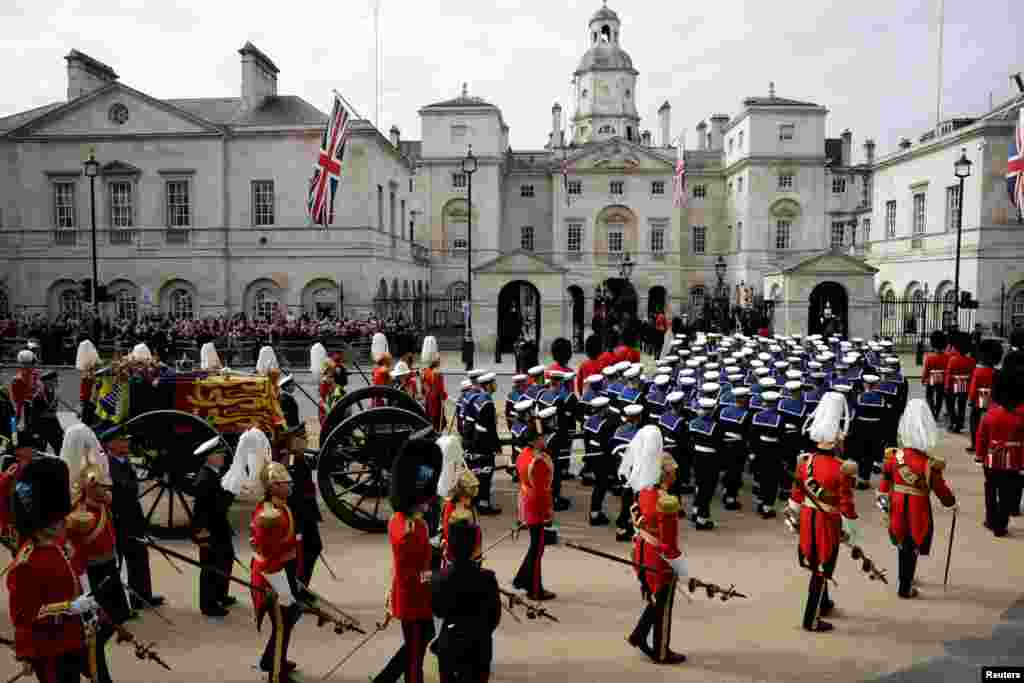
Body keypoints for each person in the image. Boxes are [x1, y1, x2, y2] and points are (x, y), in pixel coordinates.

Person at [7, 457, 93, 683]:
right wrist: (68, 607)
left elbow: (75, 575)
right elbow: (24, 615)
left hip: (72, 639)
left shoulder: (60, 546)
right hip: (49, 647)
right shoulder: (26, 563)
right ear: (42, 525)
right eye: (57, 522)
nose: (63, 524)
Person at [785, 392, 859, 632]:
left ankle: (823, 603)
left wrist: (792, 517)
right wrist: (851, 530)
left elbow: (796, 496)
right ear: (837, 441)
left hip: (807, 517)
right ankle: (811, 619)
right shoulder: (841, 468)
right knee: (821, 566)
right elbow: (846, 504)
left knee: (815, 560)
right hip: (828, 520)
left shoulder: (805, 461)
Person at [372, 435, 441, 683]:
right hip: (414, 599)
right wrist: (439, 576)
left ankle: (386, 678)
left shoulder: (402, 521)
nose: (429, 501)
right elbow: (412, 575)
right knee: (415, 659)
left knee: (420, 641)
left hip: (411, 596)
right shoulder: (410, 531)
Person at [877, 399, 957, 598]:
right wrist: (951, 502)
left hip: (896, 503)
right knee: (912, 543)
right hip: (917, 506)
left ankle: (906, 577)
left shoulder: (894, 457)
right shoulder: (928, 464)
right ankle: (905, 586)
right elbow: (940, 489)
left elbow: (885, 483)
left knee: (903, 543)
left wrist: (884, 503)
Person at [64, 445, 130, 683]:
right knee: (96, 630)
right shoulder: (79, 516)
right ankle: (97, 671)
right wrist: (83, 587)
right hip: (92, 574)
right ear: (91, 487)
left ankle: (91, 655)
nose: (108, 489)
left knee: (120, 614)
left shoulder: (103, 506)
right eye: (103, 486)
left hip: (109, 567)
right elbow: (75, 554)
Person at [626, 425, 688, 665]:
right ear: (665, 474)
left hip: (641, 552)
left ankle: (639, 635)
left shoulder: (644, 492)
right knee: (663, 606)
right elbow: (670, 545)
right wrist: (682, 570)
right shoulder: (668, 501)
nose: (675, 475)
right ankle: (661, 651)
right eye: (673, 471)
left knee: (654, 600)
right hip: (658, 558)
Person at [250, 461, 303, 682]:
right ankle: (276, 673)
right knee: (282, 623)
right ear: (273, 487)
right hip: (272, 575)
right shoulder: (269, 516)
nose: (290, 486)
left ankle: (272, 659)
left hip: (282, 571)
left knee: (291, 616)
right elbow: (270, 553)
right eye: (284, 483)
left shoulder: (282, 507)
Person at [430, 518, 501, 683]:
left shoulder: (438, 578)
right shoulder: (487, 577)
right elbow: (494, 618)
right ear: (475, 548)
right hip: (479, 643)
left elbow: (438, 611)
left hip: (450, 641)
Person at [100, 426, 163, 610]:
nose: (126, 443)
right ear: (110, 444)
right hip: (118, 521)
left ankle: (142, 597)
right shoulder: (107, 465)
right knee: (118, 564)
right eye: (121, 440)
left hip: (133, 520)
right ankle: (117, 604)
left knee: (139, 559)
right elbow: (123, 490)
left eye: (126, 439)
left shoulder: (124, 461)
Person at [975, 363, 1024, 537]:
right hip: (1014, 459)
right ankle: (1001, 524)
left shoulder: (990, 414)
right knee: (1007, 493)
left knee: (990, 489)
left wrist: (979, 455)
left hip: (991, 457)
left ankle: (990, 518)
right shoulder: (1021, 415)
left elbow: (982, 437)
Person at [513, 404, 556, 601]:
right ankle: (535, 589)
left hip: (526, 503)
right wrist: (548, 513)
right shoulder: (538, 461)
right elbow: (541, 492)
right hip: (536, 507)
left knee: (534, 547)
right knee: (537, 549)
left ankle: (523, 579)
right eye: (543, 437)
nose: (546, 439)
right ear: (537, 439)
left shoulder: (524, 455)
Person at [192, 436, 236, 617]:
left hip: (219, 527)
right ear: (209, 457)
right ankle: (208, 604)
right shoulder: (205, 478)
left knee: (226, 559)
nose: (223, 457)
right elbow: (212, 508)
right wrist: (231, 493)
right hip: (210, 530)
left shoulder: (213, 473)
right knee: (211, 567)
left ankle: (220, 594)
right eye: (219, 454)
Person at [967, 339, 1003, 453]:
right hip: (993, 400)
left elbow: (973, 388)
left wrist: (971, 400)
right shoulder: (997, 373)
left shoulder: (978, 371)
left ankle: (974, 443)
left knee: (974, 420)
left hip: (979, 399)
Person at [944, 333, 975, 433]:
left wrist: (947, 386)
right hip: (965, 384)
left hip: (954, 385)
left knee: (951, 405)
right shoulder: (971, 360)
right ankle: (960, 423)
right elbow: (972, 375)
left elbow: (949, 374)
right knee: (961, 405)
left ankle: (954, 422)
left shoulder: (953, 360)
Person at [421, 336, 447, 431]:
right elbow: (441, 393)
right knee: (438, 426)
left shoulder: (424, 371)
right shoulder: (437, 373)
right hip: (436, 403)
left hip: (428, 402)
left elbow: (423, 391)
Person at [922, 331, 948, 420]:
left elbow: (926, 370)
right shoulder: (947, 356)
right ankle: (937, 412)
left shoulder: (929, 357)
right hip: (942, 379)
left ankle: (932, 411)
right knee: (940, 397)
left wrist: (923, 379)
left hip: (931, 379)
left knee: (929, 396)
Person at [77, 339, 100, 427]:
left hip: (87, 388)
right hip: (88, 388)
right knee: (88, 405)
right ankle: (86, 422)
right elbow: (90, 375)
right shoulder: (88, 364)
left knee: (87, 405)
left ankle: (86, 421)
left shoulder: (85, 364)